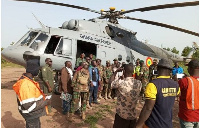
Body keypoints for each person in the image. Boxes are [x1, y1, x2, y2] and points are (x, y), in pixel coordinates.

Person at [135, 58, 180, 128]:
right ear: (171, 70)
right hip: (168, 124)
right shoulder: (176, 85)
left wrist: (138, 125)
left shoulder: (153, 84)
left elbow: (148, 108)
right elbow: (178, 94)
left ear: (157, 68)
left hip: (153, 124)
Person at [13, 59, 50, 128]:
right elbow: (30, 106)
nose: (39, 71)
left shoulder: (28, 80)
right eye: (38, 69)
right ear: (34, 69)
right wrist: (45, 102)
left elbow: (31, 95)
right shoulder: (26, 84)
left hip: (33, 114)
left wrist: (43, 97)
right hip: (31, 114)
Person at [110, 64, 142, 128]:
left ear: (123, 71)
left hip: (122, 116)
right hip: (133, 117)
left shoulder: (121, 82)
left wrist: (116, 72)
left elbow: (111, 83)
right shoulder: (139, 83)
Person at [178, 59, 199, 128]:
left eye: (188, 67)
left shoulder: (184, 81)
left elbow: (177, 93)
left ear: (191, 68)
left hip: (187, 116)